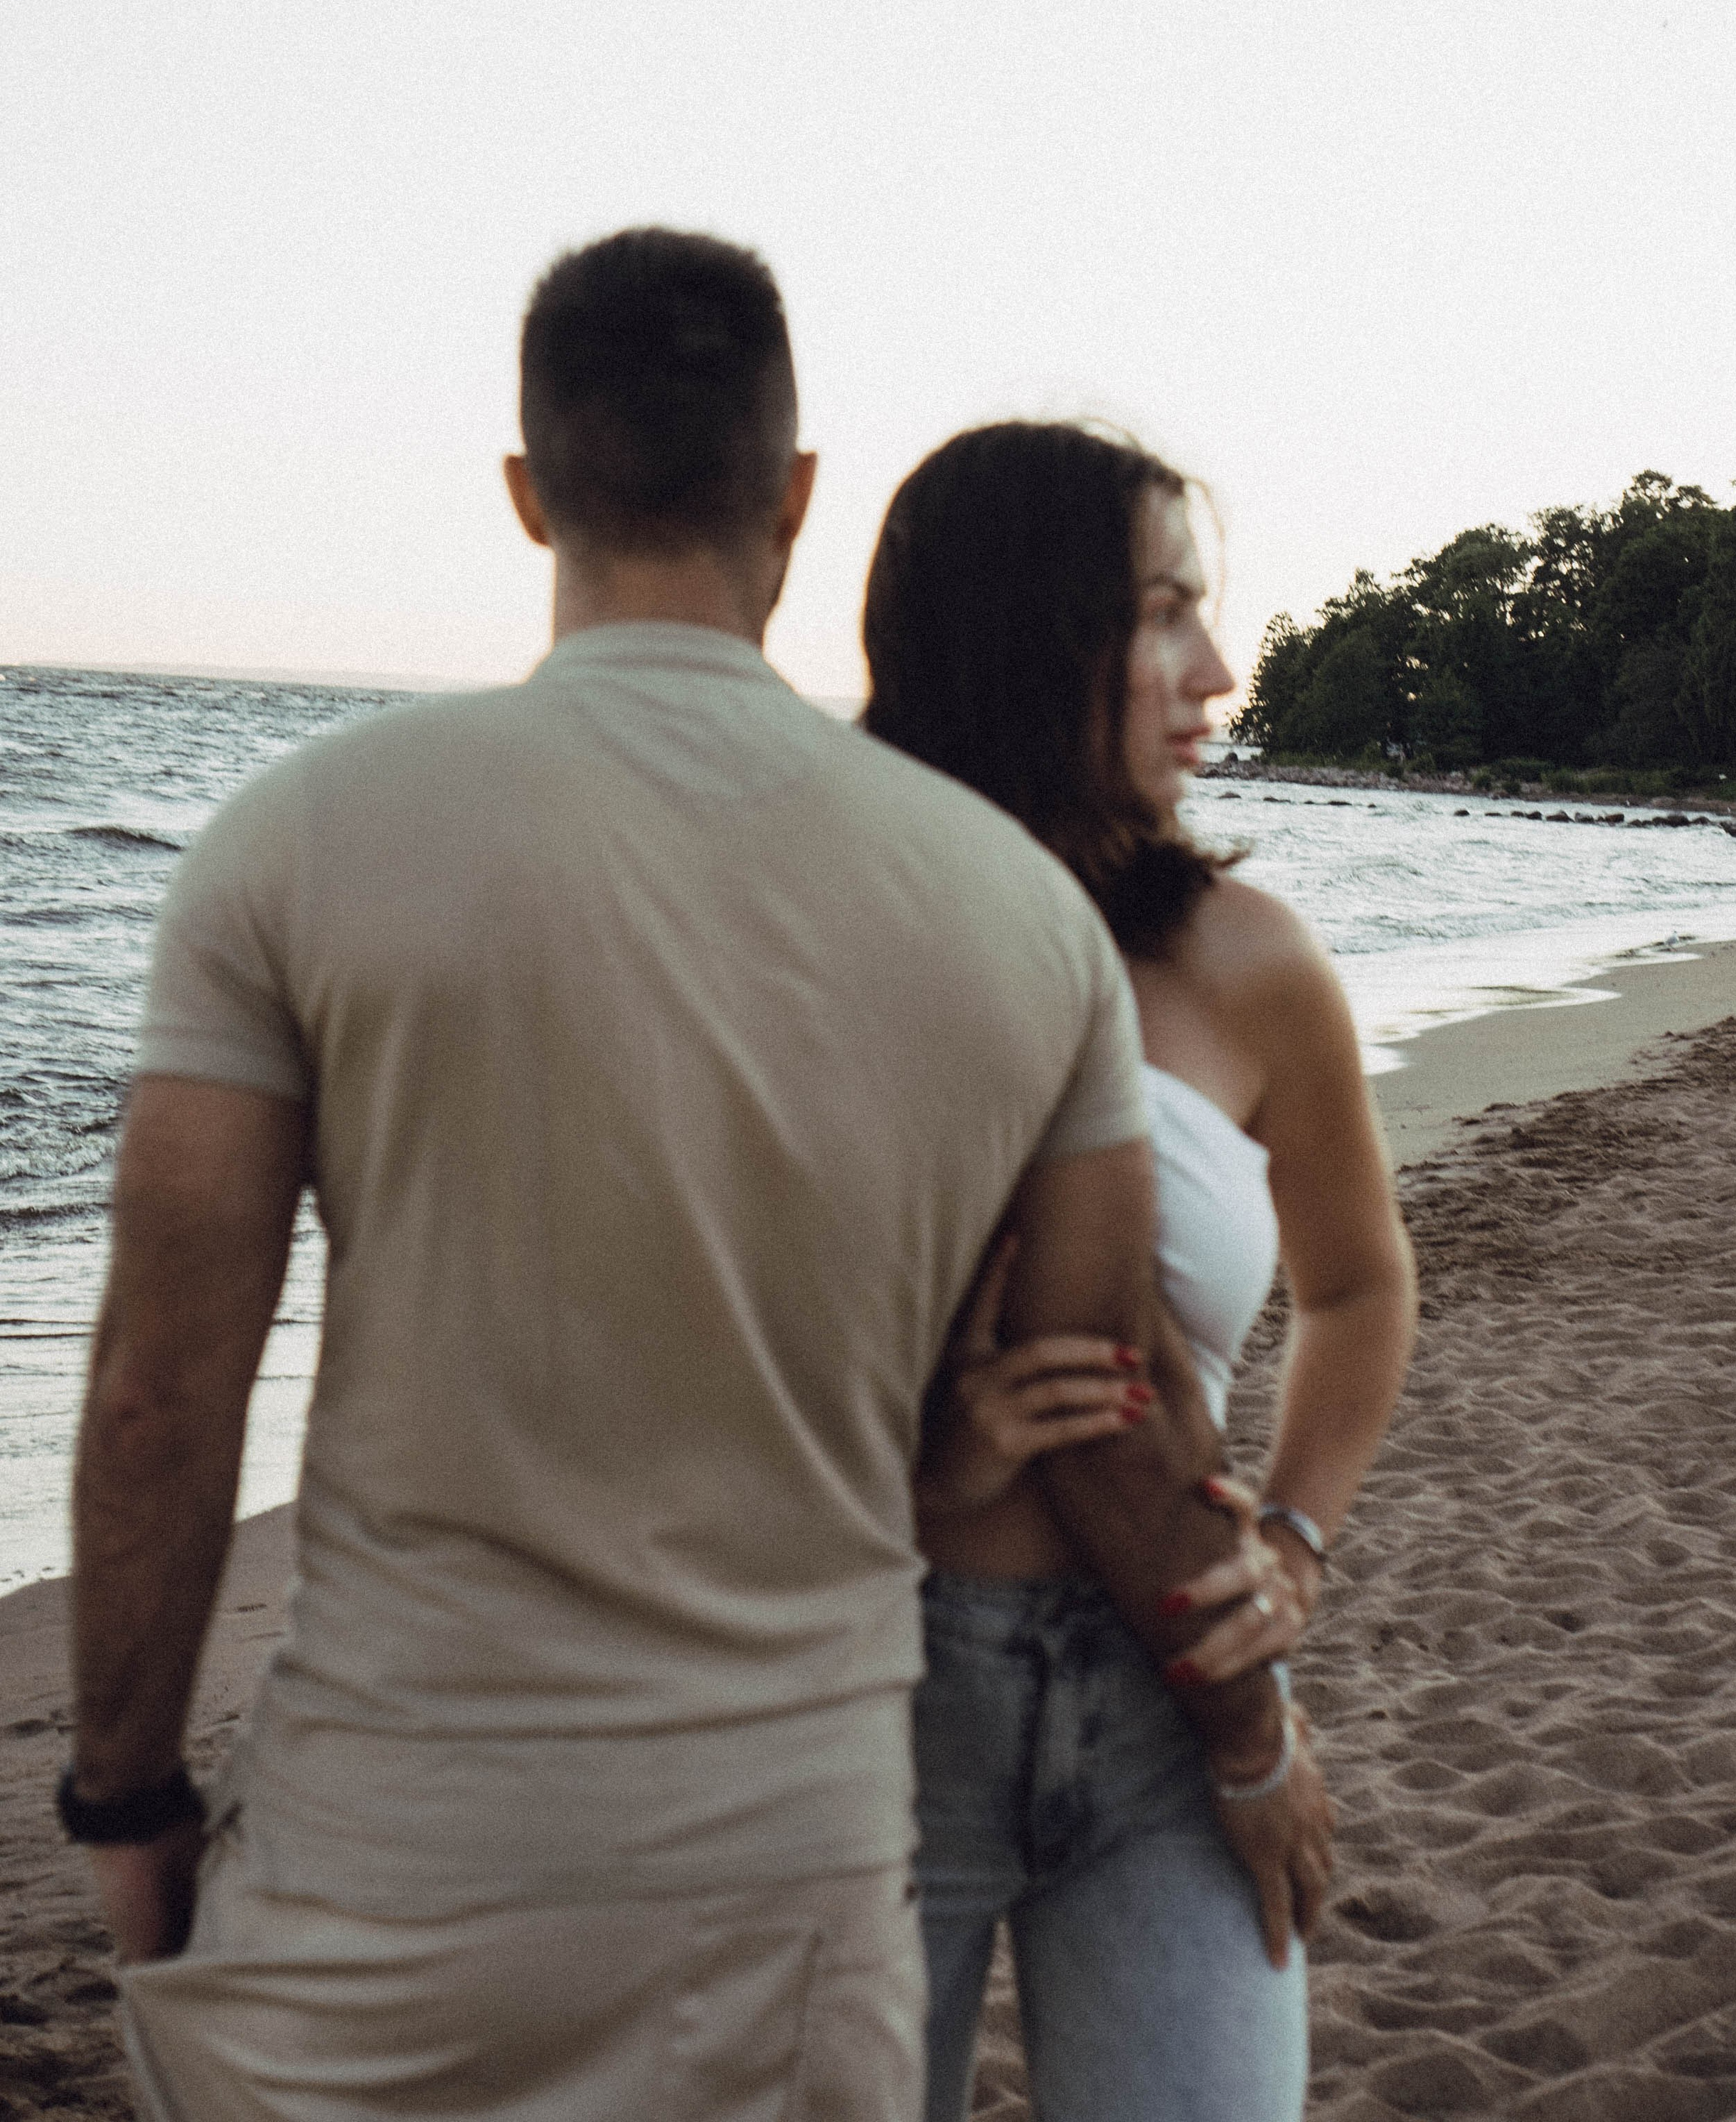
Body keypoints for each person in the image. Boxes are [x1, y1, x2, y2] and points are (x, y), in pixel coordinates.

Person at [66, 234, 1309, 2122]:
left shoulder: (296, 842)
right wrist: (1243, 1725)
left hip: (385, 1858)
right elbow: (1113, 1389)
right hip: (788, 1881)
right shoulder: (1018, 925)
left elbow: (162, 1392)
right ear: (796, 499)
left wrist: (131, 1793)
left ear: (526, 490)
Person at [862, 420, 1419, 2122]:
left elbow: (1358, 1287)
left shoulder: (1249, 964)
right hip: (868, 1704)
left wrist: (1299, 1542)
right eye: (1164, 616)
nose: (1220, 673)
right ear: (1031, 640)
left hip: (1168, 1693)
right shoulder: (839, 946)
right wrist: (920, 1466)